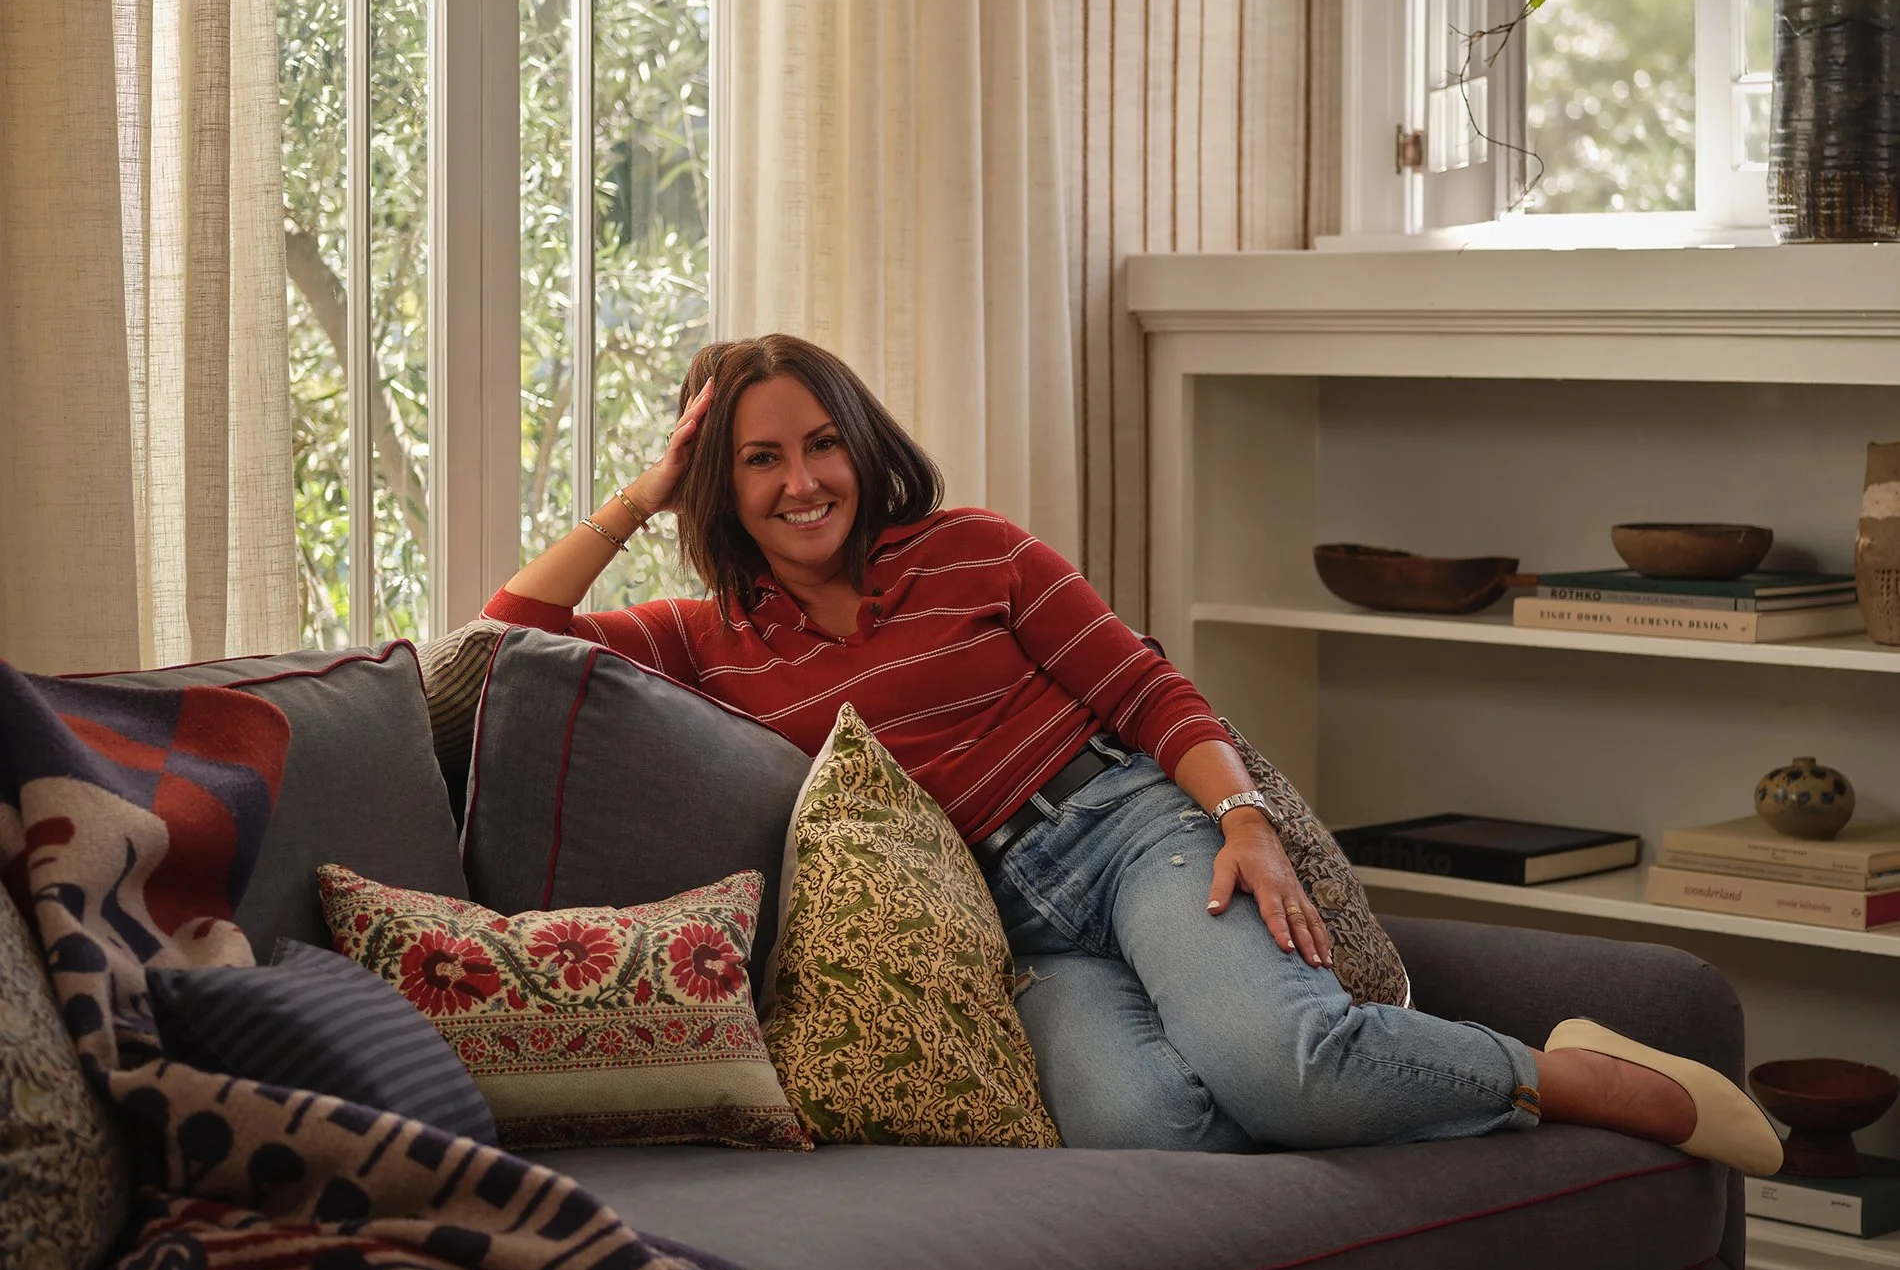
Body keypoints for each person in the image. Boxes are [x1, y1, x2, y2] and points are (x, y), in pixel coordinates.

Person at [486, 333, 1780, 1174]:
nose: (802, 479)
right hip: (1022, 940)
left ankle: (1553, 1071)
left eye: (821, 441)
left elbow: (1145, 685)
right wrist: (639, 497)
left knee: (1283, 1067)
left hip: (1127, 832)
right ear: (721, 482)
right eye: (758, 459)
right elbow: (503, 640)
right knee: (1150, 1132)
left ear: (862, 442)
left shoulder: (974, 549)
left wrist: (1243, 822)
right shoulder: (707, 639)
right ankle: (1378, 1075)